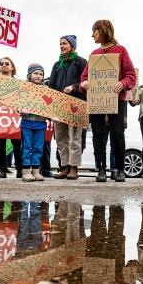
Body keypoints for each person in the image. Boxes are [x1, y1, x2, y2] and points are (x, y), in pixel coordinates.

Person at [79, 19, 137, 182]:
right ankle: (101, 169)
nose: (92, 35)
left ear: (104, 30)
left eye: (94, 31)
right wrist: (84, 83)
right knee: (98, 135)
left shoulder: (121, 51)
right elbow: (84, 77)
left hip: (117, 100)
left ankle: (119, 169)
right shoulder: (94, 54)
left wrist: (122, 83)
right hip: (97, 100)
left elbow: (131, 75)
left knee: (118, 135)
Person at [48, 35, 87, 180]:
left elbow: (86, 81)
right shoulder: (57, 65)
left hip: (76, 105)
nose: (61, 46)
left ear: (72, 45)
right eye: (60, 44)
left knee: (74, 138)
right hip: (59, 106)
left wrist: (74, 87)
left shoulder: (81, 62)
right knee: (61, 138)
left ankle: (74, 168)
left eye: (64, 43)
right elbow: (51, 86)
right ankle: (64, 167)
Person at [20, 64, 49, 181]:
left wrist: (52, 116)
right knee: (27, 146)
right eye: (35, 73)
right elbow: (17, 102)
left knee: (38, 147)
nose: (38, 76)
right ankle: (26, 171)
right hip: (27, 123)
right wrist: (21, 109)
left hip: (41, 124)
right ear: (29, 75)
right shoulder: (24, 88)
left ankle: (36, 170)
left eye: (41, 74)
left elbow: (50, 106)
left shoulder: (47, 90)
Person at [0, 56, 17, 178]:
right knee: (0, 143)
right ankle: (2, 169)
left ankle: (20, 169)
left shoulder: (18, 84)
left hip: (14, 117)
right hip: (0, 116)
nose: (3, 65)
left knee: (17, 143)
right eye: (1, 63)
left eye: (7, 63)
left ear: (12, 67)